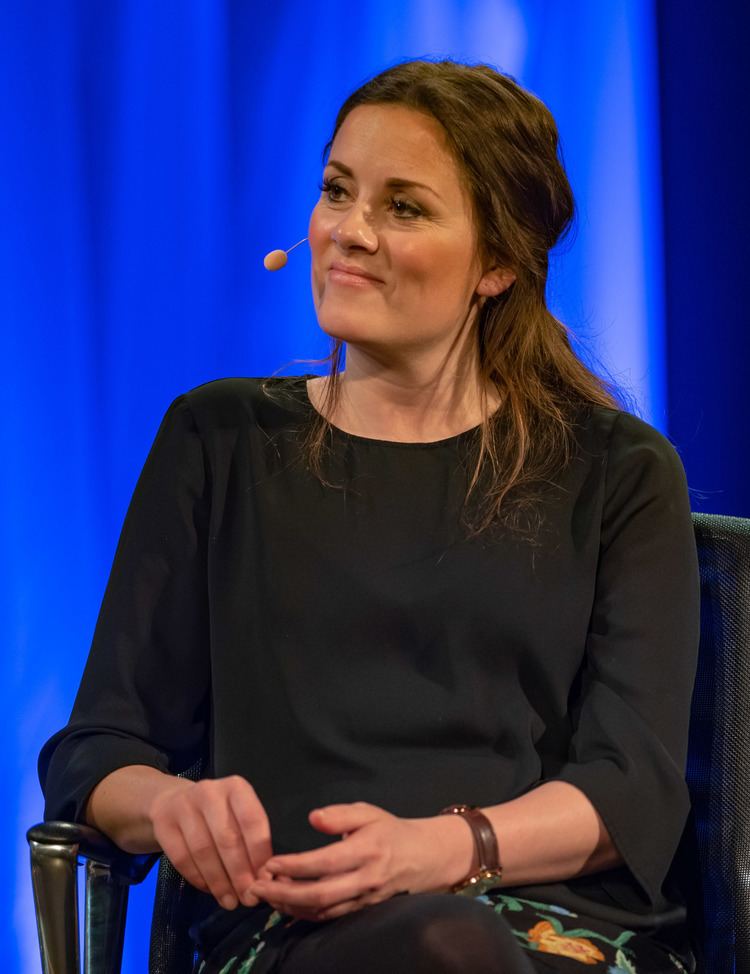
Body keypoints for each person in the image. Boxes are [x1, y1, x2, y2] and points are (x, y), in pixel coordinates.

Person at [39, 59, 700, 973]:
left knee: (455, 942)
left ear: (499, 264)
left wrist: (437, 849)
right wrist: (165, 806)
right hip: (293, 926)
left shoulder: (615, 470)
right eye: (338, 191)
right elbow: (99, 749)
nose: (348, 232)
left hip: (549, 925)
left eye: (404, 208)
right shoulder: (221, 438)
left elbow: (632, 790)